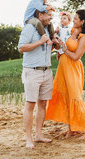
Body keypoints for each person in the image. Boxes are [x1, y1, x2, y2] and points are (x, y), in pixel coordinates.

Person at [45, 9, 85, 139]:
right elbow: (61, 45)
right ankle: (71, 129)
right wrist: (57, 42)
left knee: (75, 96)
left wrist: (64, 48)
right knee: (66, 96)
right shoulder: (71, 31)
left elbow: (76, 56)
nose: (73, 21)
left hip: (73, 68)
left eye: (76, 19)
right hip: (63, 67)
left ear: (83, 22)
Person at [18, 8, 58, 149]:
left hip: (46, 71)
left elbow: (46, 49)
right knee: (30, 105)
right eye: (49, 15)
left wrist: (54, 44)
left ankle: (38, 135)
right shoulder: (30, 28)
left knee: (42, 104)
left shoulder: (47, 29)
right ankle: (28, 139)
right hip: (32, 72)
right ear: (40, 15)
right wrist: (40, 42)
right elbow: (21, 48)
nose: (51, 18)